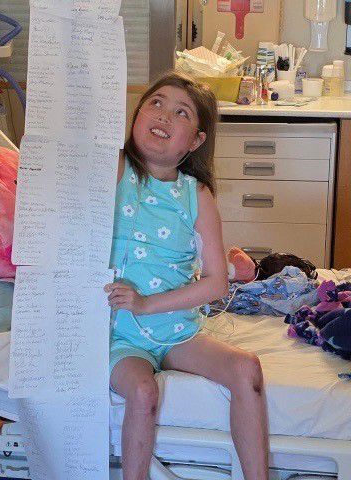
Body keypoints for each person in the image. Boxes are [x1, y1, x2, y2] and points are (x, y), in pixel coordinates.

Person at [105, 72, 269, 480]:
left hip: (176, 330)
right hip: (119, 333)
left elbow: (216, 282)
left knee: (246, 368)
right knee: (143, 392)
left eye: (181, 113)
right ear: (138, 113)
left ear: (195, 140)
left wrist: (147, 304)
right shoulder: (115, 168)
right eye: (155, 103)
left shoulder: (196, 195)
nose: (163, 115)